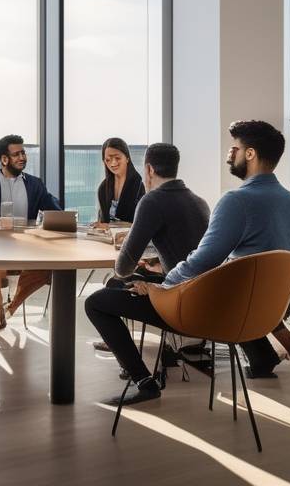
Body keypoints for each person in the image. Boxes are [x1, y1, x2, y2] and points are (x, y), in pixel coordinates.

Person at [98, 120, 290, 405]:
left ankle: (144, 381)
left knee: (99, 300)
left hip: (202, 306)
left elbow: (203, 260)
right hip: (266, 309)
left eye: (233, 148)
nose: (228, 154)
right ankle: (260, 355)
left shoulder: (235, 201)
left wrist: (162, 287)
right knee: (151, 280)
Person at [84, 143, 209, 399]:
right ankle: (152, 361)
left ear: (149, 169)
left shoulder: (152, 201)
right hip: (205, 298)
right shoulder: (199, 201)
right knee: (116, 287)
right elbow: (190, 256)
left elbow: (122, 267)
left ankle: (143, 381)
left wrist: (129, 242)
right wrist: (154, 265)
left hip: (181, 305)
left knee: (95, 303)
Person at [0, 134, 62, 330]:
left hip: (27, 247)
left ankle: (11, 307)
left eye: (23, 153)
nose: (22, 157)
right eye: (16, 154)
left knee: (50, 266)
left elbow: (54, 211)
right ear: (4, 159)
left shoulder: (35, 184)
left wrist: (56, 217)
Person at [93, 137, 146, 226]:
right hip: (106, 238)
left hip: (129, 238)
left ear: (127, 158)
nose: (113, 163)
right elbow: (102, 220)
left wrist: (109, 227)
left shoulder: (138, 185)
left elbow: (141, 224)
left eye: (117, 158)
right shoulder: (103, 187)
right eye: (108, 160)